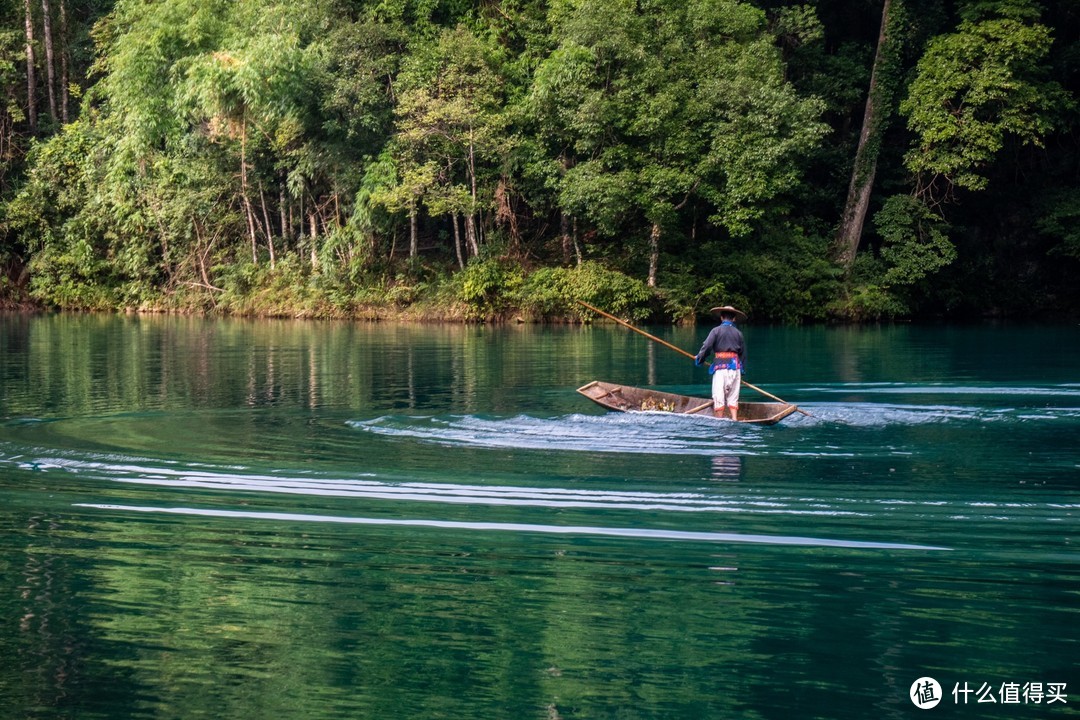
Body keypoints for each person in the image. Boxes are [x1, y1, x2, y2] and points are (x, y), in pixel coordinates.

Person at [693, 306, 746, 420]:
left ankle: (720, 421)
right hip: (735, 369)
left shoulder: (715, 331)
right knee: (733, 397)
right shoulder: (739, 334)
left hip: (721, 369)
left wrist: (700, 358)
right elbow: (743, 354)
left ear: (722, 318)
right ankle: (734, 419)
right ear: (734, 319)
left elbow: (706, 347)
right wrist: (741, 370)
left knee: (719, 397)